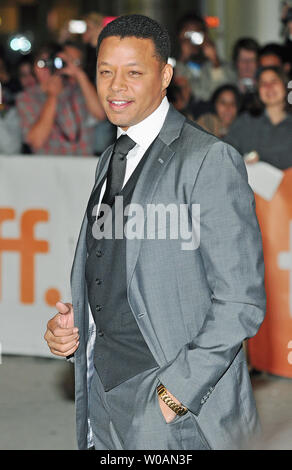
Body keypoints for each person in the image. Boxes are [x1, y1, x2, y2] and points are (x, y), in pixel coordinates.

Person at [44, 14, 266, 450]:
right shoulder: (110, 158)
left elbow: (241, 299)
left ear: (165, 75)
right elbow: (122, 270)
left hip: (171, 404)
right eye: (105, 72)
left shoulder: (208, 160)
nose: (115, 86)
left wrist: (175, 393)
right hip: (101, 391)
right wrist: (77, 328)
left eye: (133, 72)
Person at [16, 44, 105, 155]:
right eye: (41, 63)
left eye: (51, 63)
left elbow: (101, 115)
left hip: (84, 167)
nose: (47, 69)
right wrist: (52, 97)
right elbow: (36, 141)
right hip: (49, 169)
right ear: (33, 68)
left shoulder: (77, 90)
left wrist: (78, 73)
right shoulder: (26, 97)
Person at [225, 66, 292, 170]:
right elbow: (225, 157)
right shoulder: (245, 122)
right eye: (263, 83)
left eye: (274, 81)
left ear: (285, 85)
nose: (269, 87)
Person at [175, 12, 236, 102]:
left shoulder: (222, 66)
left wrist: (215, 62)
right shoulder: (174, 67)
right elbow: (177, 96)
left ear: (205, 35)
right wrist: (182, 59)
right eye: (188, 34)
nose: (192, 39)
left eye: (197, 33)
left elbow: (227, 91)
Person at [232, 38, 259, 112]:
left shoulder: (264, 90)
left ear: (257, 63)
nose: (247, 65)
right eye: (243, 60)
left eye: (251, 60)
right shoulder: (228, 88)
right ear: (236, 63)